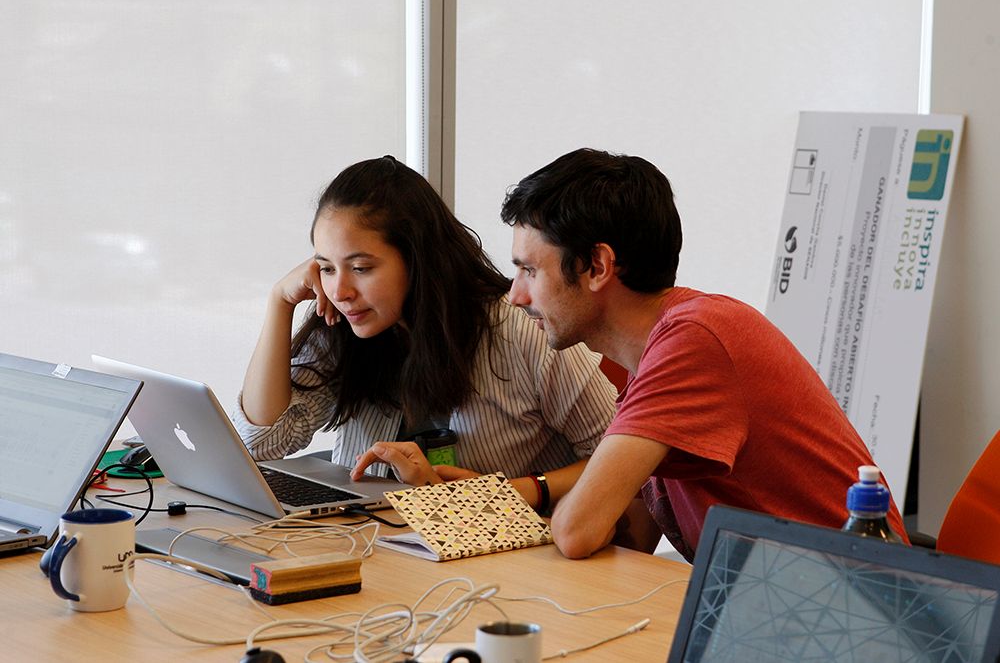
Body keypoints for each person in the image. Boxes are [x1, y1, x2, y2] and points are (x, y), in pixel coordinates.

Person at [499, 148, 908, 561]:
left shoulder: (694, 341)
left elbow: (576, 533)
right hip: (785, 596)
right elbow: (632, 534)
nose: (516, 297)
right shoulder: (663, 349)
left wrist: (517, 511)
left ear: (598, 266)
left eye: (530, 271)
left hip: (852, 603)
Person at [232, 155, 616, 511]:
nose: (341, 291)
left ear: (417, 259)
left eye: (361, 268)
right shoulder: (342, 322)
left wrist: (526, 488)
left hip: (505, 559)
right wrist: (279, 303)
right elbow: (263, 443)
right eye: (327, 268)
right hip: (380, 545)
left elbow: (619, 455)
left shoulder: (519, 327)